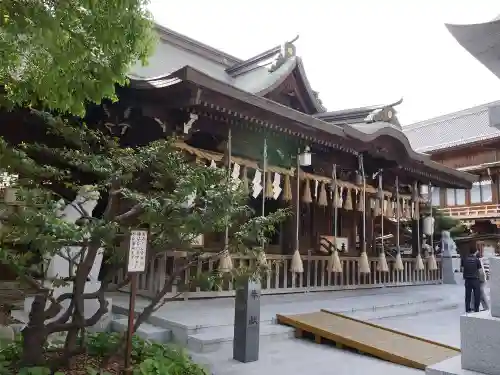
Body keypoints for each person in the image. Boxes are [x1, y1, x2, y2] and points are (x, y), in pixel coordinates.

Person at [461, 246, 481, 313]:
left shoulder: (464, 259)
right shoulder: (477, 260)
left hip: (467, 280)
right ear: (475, 252)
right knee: (477, 295)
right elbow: (480, 270)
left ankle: (467, 309)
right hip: (475, 280)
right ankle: (476, 309)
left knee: (467, 296)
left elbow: (462, 269)